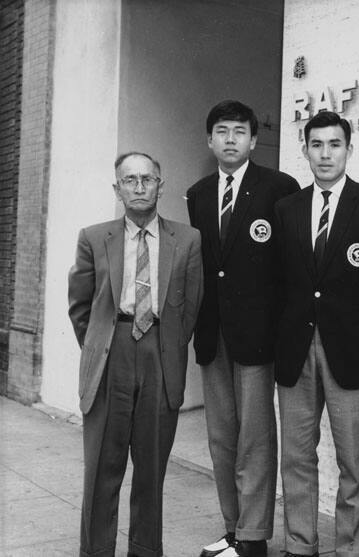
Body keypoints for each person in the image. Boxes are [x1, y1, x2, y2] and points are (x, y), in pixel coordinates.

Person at [68, 152, 203, 557]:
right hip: (113, 353)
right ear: (118, 188)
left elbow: (192, 306)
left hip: (160, 354)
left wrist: (166, 350)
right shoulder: (94, 237)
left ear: (160, 185)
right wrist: (100, 347)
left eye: (148, 179)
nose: (140, 186)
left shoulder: (188, 239)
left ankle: (145, 551)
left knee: (151, 472)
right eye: (130, 180)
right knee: (102, 470)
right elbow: (81, 307)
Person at [272, 111, 359, 557]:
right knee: (298, 457)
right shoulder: (286, 210)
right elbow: (277, 284)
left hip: (351, 353)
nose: (325, 154)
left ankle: (350, 549)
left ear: (349, 149)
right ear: (305, 150)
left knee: (355, 464)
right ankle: (301, 545)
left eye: (334, 144)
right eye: (317, 145)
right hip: (295, 352)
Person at [186, 100, 300, 557]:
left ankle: (253, 539)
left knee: (254, 438)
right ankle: (232, 528)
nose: (230, 139)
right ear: (209, 140)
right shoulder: (197, 193)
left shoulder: (279, 188)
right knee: (221, 438)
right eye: (221, 131)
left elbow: (291, 267)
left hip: (258, 336)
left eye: (239, 131)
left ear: (254, 140)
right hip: (213, 335)